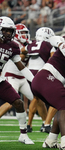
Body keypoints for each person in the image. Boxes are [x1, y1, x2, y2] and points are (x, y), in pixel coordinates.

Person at [0, 16, 34, 144]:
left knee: (18, 103)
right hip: (7, 77)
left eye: (10, 31)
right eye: (5, 30)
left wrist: (34, 80)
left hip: (0, 80)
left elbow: (21, 67)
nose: (8, 33)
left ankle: (23, 135)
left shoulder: (13, 46)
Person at [25, 27, 57, 133]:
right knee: (52, 97)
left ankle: (36, 124)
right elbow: (53, 59)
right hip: (40, 73)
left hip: (29, 73)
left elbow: (23, 54)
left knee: (37, 99)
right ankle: (44, 124)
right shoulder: (48, 45)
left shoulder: (30, 44)